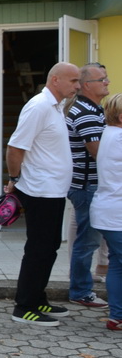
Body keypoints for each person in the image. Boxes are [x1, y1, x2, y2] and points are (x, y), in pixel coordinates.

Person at [5, 62, 81, 326]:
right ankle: (24, 307)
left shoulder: (56, 107)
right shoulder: (38, 106)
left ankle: (37, 299)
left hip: (53, 191)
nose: (77, 86)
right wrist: (14, 179)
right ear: (55, 80)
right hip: (40, 191)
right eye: (73, 81)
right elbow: (15, 148)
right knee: (39, 249)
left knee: (49, 248)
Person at [65, 62, 110, 308]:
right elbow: (98, 152)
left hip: (89, 186)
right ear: (86, 85)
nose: (107, 82)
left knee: (89, 239)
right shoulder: (85, 112)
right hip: (87, 186)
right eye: (102, 79)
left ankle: (81, 286)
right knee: (88, 241)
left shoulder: (93, 109)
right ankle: (81, 291)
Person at [90, 93, 122, 330]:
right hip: (116, 213)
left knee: (117, 264)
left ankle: (117, 317)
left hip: (107, 210)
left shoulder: (108, 133)